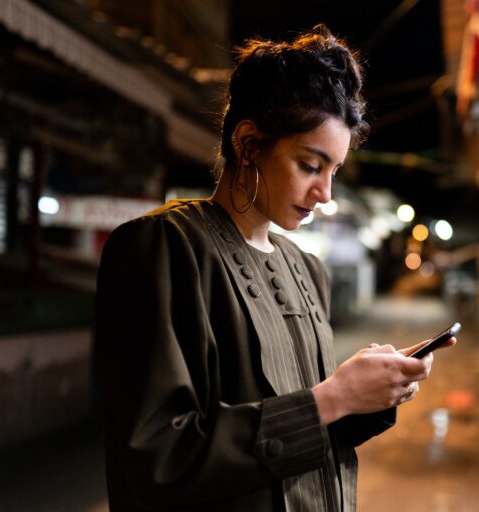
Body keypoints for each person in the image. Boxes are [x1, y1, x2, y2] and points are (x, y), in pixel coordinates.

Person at [94, 25, 455, 512]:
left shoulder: (306, 270)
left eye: (334, 172)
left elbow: (304, 434)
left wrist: (368, 393)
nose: (325, 194)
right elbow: (159, 459)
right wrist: (333, 397)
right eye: (310, 165)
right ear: (248, 144)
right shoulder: (165, 248)